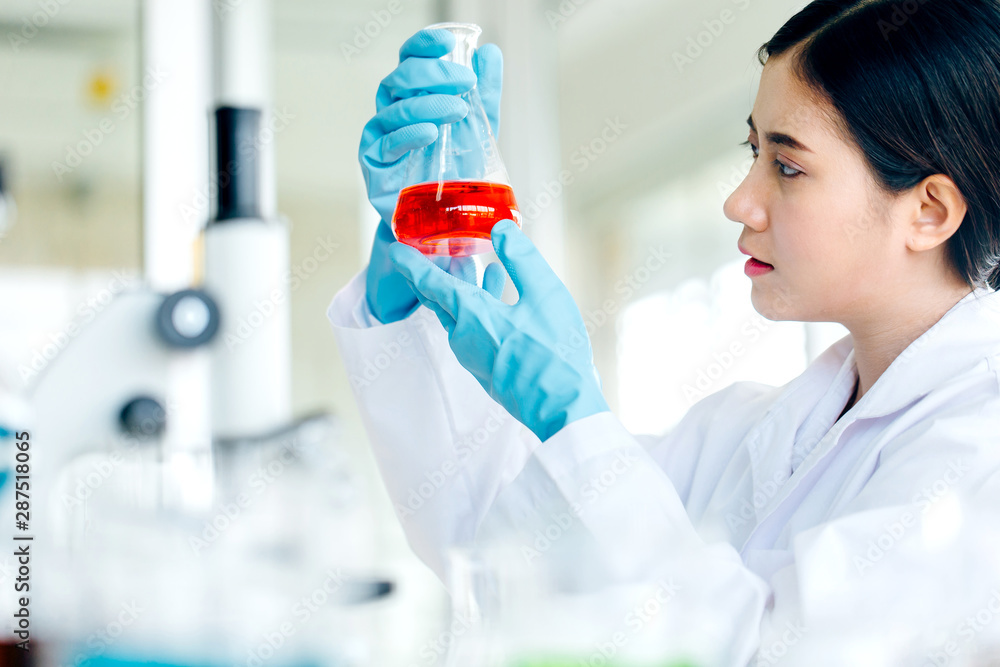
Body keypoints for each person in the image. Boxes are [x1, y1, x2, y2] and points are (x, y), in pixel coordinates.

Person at [328, 0, 1000, 663]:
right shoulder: (752, 430)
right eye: (754, 151)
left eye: (788, 166)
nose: (739, 201)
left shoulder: (981, 454)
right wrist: (416, 280)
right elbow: (501, 547)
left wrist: (573, 416)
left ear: (929, 211)